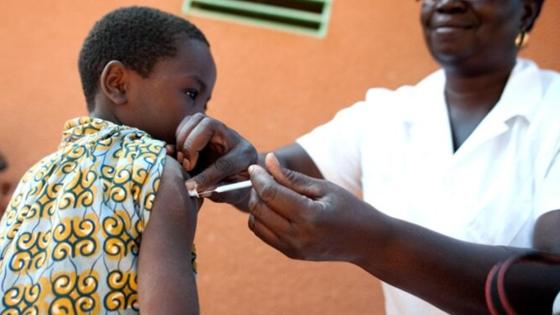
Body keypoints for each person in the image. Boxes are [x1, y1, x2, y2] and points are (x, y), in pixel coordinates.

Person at [174, 0, 560, 313]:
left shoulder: (551, 111)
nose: (447, 4)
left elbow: (551, 285)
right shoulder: (386, 113)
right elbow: (268, 176)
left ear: (527, 9)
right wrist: (227, 164)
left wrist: (375, 242)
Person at [0, 6, 216, 314]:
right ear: (117, 83)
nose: (201, 118)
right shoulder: (159, 173)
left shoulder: (37, 174)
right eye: (192, 94)